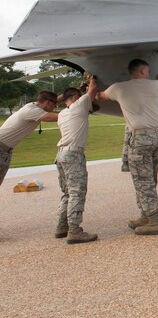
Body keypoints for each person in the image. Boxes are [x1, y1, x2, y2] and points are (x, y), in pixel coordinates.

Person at [97, 59, 158, 235]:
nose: (148, 73)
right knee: (150, 178)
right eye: (147, 71)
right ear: (141, 72)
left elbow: (100, 96)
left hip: (140, 138)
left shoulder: (119, 88)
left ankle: (154, 222)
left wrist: (91, 85)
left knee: (143, 181)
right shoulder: (156, 85)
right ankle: (145, 216)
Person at [54, 79, 99, 244]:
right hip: (73, 155)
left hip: (60, 155)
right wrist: (91, 79)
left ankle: (61, 226)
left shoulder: (62, 114)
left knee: (67, 193)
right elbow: (93, 91)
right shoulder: (79, 106)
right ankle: (74, 231)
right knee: (77, 192)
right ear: (74, 96)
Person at [0, 91, 60, 189]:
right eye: (55, 105)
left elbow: (56, 100)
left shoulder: (33, 105)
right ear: (47, 102)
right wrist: (79, 109)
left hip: (6, 151)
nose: (55, 107)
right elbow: (58, 117)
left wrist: (71, 93)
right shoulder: (32, 111)